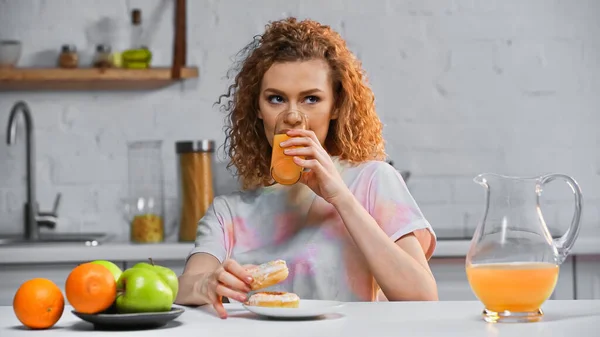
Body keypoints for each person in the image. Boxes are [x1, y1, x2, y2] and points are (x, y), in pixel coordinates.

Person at [175, 17, 438, 318]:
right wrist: (206, 284)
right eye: (276, 99)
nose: (292, 116)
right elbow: (184, 287)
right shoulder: (229, 213)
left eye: (311, 99)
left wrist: (340, 197)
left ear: (336, 106)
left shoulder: (372, 181)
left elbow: (423, 298)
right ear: (258, 109)